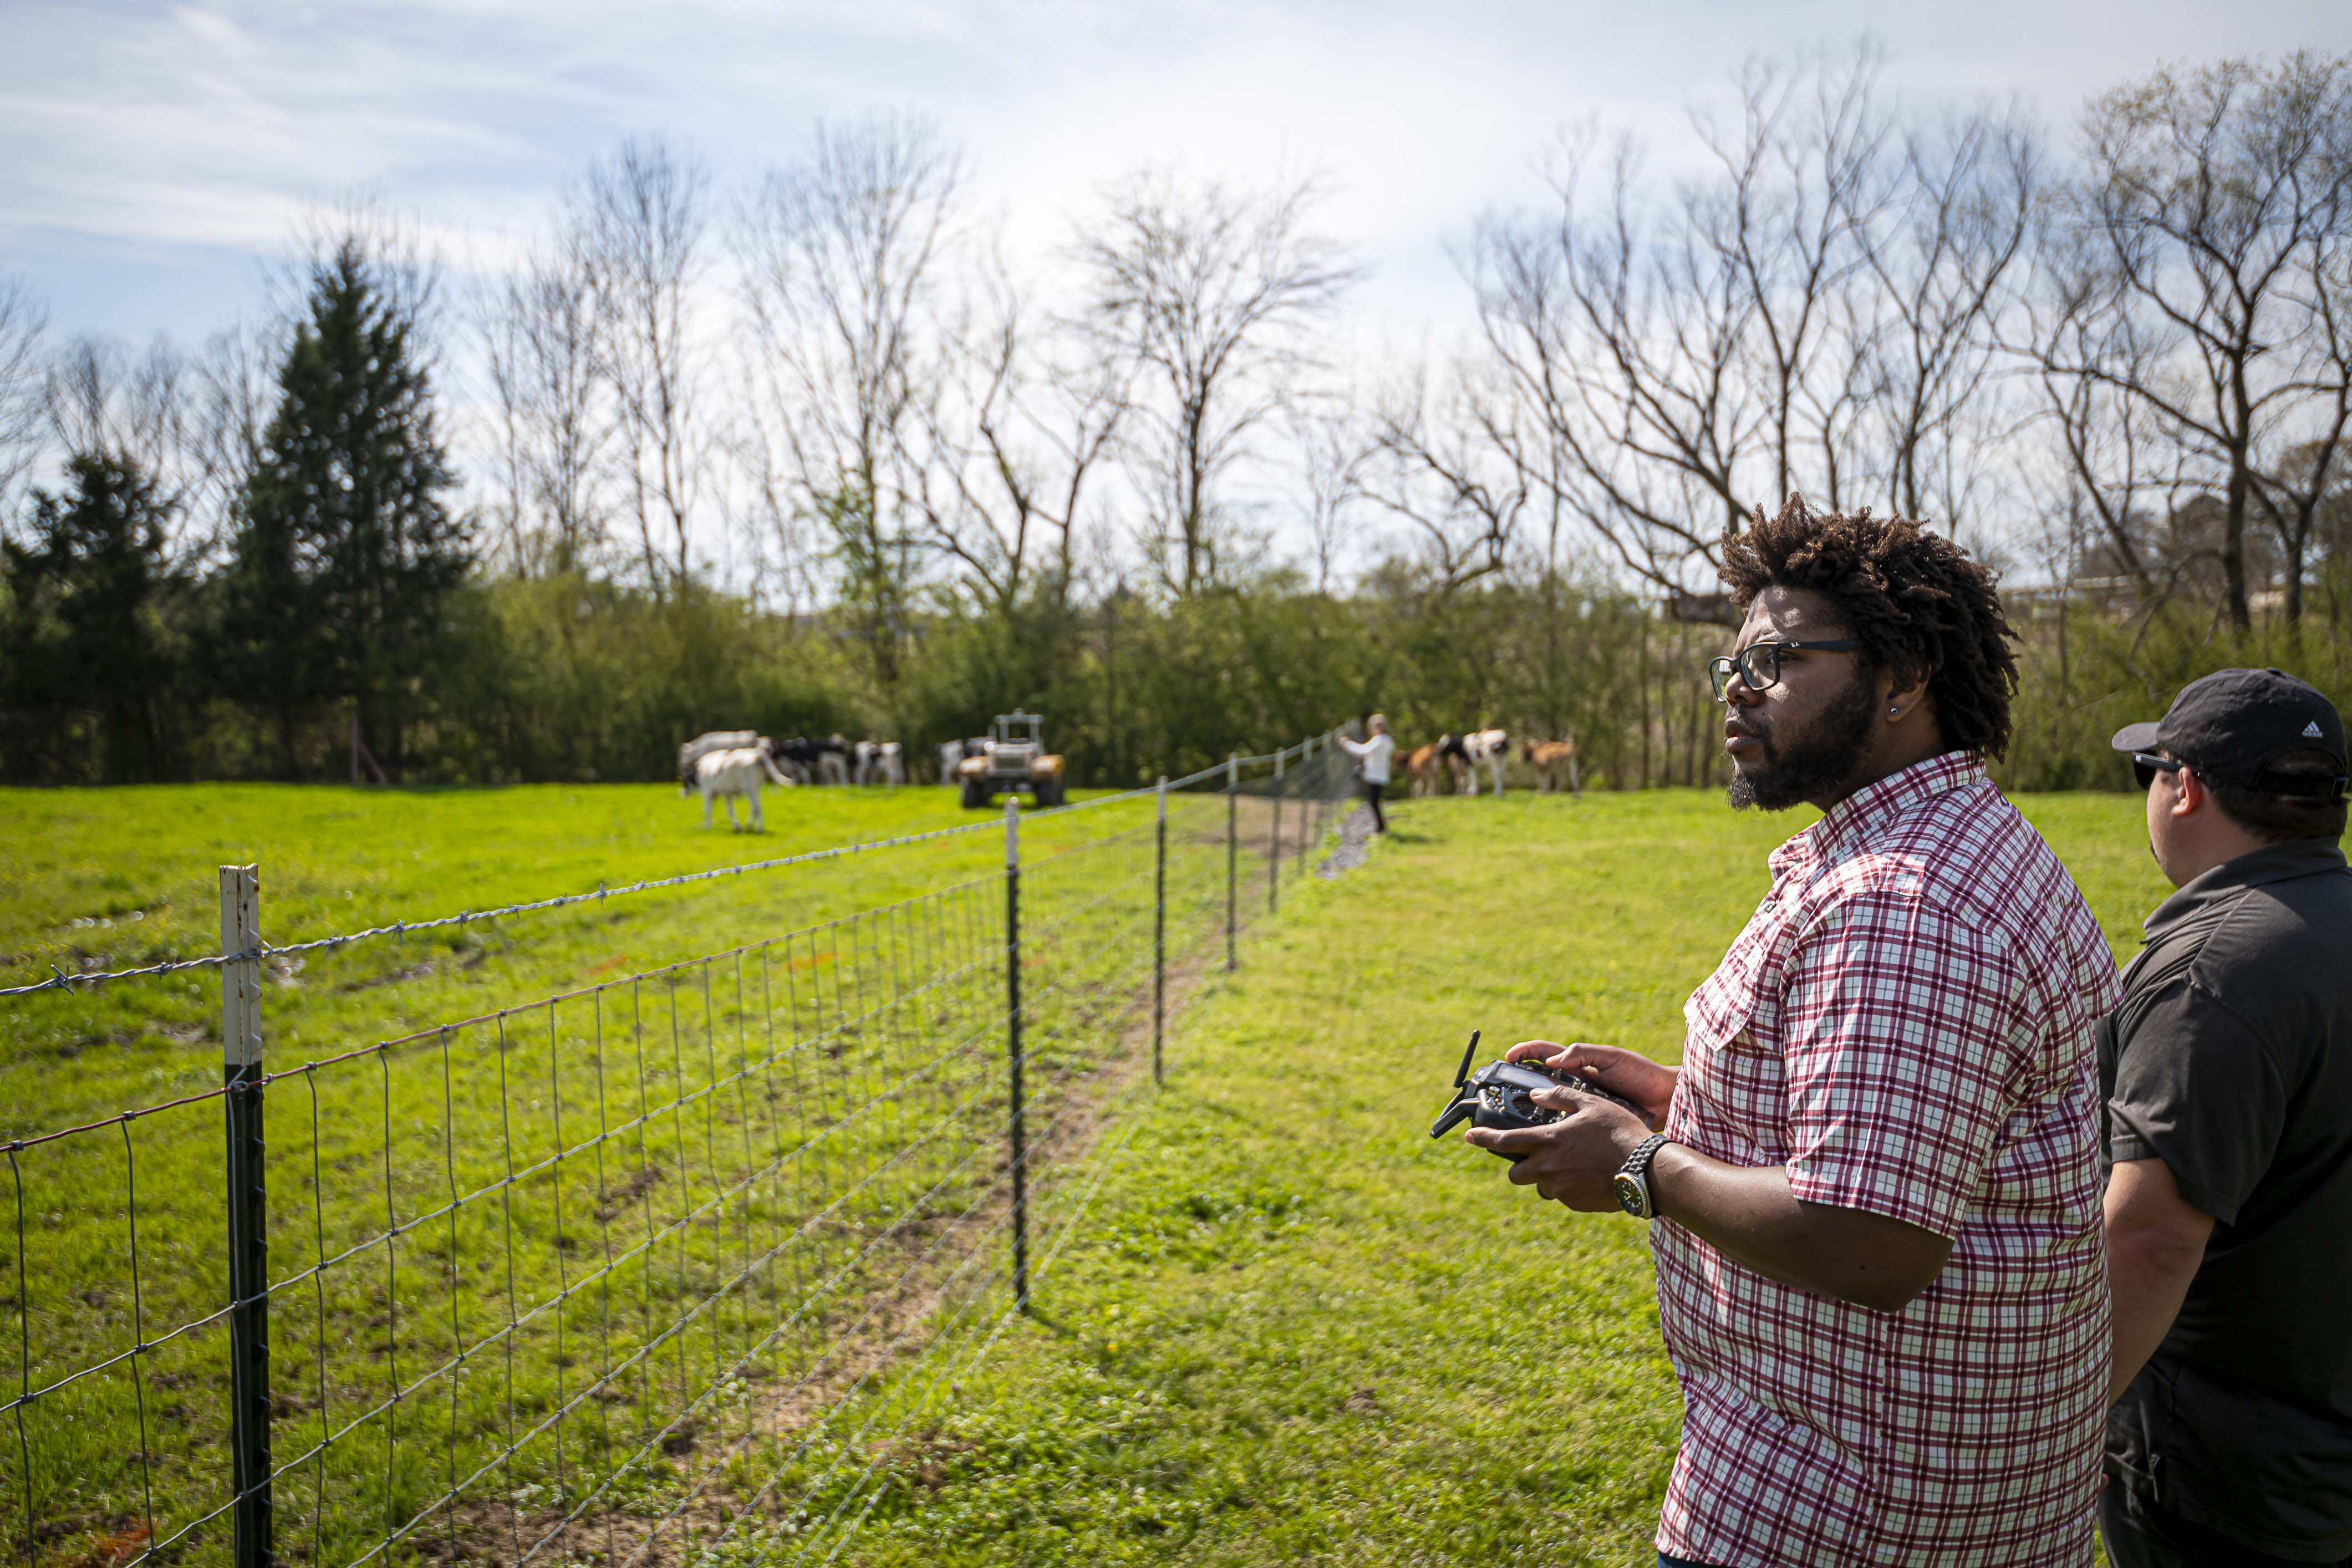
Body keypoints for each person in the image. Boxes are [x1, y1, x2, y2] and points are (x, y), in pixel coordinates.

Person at [1467, 497, 2119, 1568]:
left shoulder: (1905, 903)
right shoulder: (1930, 846)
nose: (1735, 684)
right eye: (1732, 661)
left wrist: (1639, 1163)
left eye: (1773, 659)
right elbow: (1912, 1127)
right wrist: (1684, 1099)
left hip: (1847, 1501)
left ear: (1904, 678)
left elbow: (1871, 1237)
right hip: (1899, 1481)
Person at [2096, 669, 2352, 1568]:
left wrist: (2049, 1435)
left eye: (2149, 770)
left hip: (2225, 1485)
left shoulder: (2216, 970)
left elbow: (2151, 1236)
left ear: (2185, 785)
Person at [1335, 713, 1393, 833]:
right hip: (1380, 774)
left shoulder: (1379, 740)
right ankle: (1380, 827)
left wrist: (1346, 743)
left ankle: (1381, 827)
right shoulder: (1387, 740)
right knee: (1374, 802)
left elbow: (1362, 750)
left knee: (1374, 802)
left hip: (1375, 775)